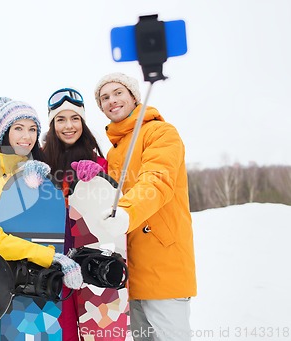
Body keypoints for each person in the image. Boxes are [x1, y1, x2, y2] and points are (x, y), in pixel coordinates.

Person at [93, 72, 197, 341]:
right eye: (104, 97)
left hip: (163, 266)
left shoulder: (160, 132)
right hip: (131, 273)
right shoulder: (114, 151)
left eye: (118, 93)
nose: (112, 101)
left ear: (134, 96)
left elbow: (157, 180)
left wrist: (125, 211)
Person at [0, 96, 83, 290]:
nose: (27, 137)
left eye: (32, 129)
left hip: (26, 279)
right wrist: (49, 256)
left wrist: (40, 188)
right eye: (18, 128)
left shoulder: (31, 169)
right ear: (4, 132)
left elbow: (41, 226)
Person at [42, 87, 108, 340]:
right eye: (60, 119)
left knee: (95, 327)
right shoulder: (41, 160)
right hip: (55, 259)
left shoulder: (98, 162)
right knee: (63, 330)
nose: (68, 126)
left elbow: (110, 209)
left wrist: (100, 177)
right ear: (52, 124)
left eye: (74, 118)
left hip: (91, 256)